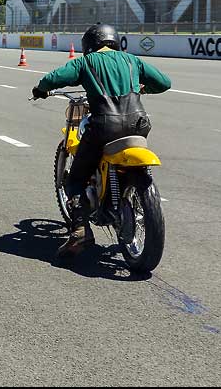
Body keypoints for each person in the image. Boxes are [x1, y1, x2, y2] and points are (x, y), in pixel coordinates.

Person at [31, 24, 171, 259]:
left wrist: (40, 90)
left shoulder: (85, 62)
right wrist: (143, 90)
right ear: (115, 41)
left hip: (104, 126)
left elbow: (53, 78)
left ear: (89, 45)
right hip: (138, 124)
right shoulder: (131, 60)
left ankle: (79, 231)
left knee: (74, 179)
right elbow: (164, 83)